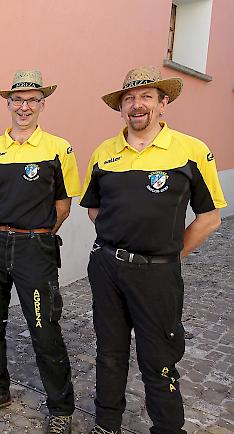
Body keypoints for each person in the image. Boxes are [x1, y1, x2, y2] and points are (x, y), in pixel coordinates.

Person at [80, 66, 227, 434]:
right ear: (121, 107)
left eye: (147, 97)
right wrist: (119, 243)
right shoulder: (104, 152)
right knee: (110, 352)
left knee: (158, 358)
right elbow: (94, 208)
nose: (137, 105)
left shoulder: (191, 151)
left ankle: (167, 427)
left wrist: (168, 258)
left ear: (163, 104)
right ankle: (106, 423)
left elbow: (209, 218)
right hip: (107, 268)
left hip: (158, 275)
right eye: (129, 98)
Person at [0, 70, 79, 433]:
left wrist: (42, 235)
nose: (24, 106)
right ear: (8, 104)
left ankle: (61, 408)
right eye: (17, 99)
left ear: (42, 104)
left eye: (32, 99)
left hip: (35, 246)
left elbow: (63, 204)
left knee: (44, 328)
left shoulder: (59, 148)